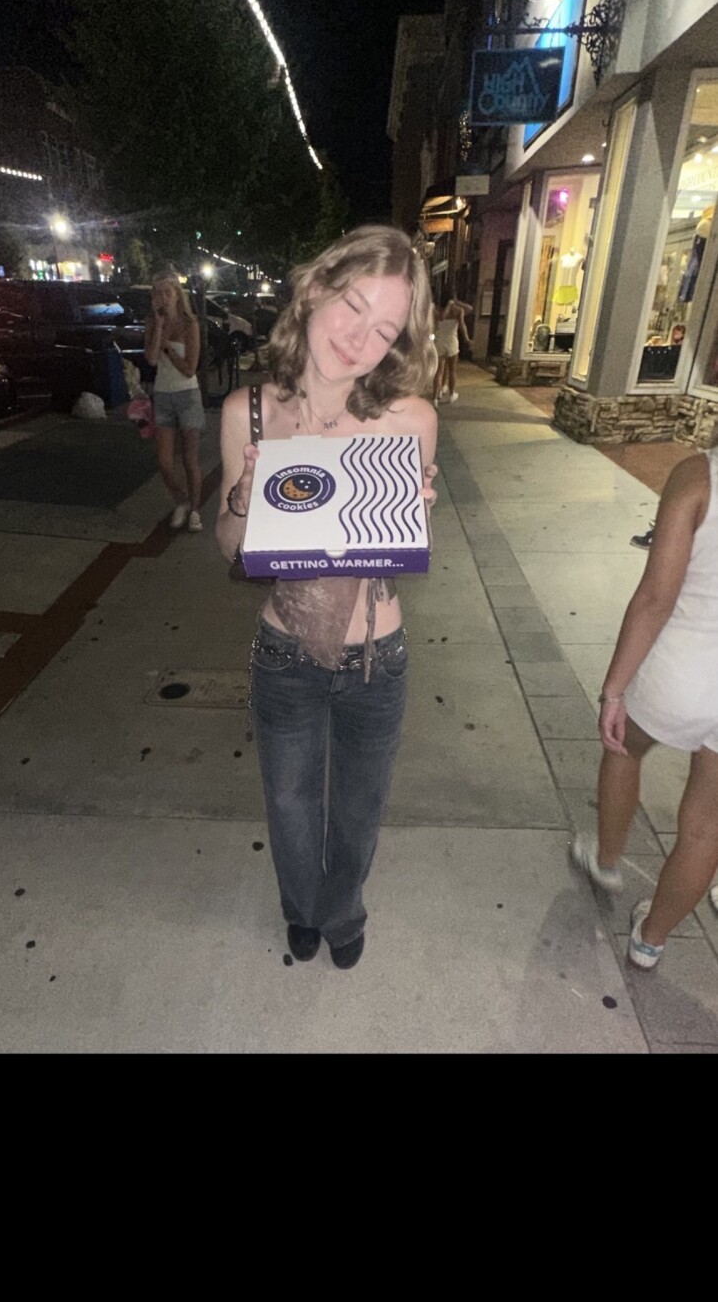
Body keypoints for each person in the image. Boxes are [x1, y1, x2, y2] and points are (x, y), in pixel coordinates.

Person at [216, 225, 438, 970]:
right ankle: (300, 907)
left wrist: (413, 512)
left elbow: (394, 553)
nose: (359, 340)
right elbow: (230, 549)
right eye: (352, 306)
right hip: (284, 653)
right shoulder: (248, 413)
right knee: (288, 806)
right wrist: (244, 497)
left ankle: (341, 910)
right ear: (314, 289)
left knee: (359, 811)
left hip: (378, 657)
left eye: (385, 330)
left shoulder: (409, 420)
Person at [571, 439, 718, 970]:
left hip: (682, 670)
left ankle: (607, 859)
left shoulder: (698, 477)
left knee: (624, 747)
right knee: (706, 825)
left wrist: (614, 689)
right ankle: (650, 940)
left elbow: (656, 596)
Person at [144, 272, 205, 533]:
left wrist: (168, 349)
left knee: (190, 459)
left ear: (178, 295)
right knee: (164, 462)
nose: (163, 297)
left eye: (168, 292)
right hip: (163, 396)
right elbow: (151, 359)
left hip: (187, 395)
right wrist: (159, 327)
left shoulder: (190, 324)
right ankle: (181, 500)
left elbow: (190, 369)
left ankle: (195, 511)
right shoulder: (152, 322)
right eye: (158, 293)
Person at [432, 288, 473, 406]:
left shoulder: (436, 310)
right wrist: (467, 339)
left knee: (438, 372)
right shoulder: (458, 311)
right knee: (452, 370)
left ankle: (435, 398)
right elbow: (463, 325)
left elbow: (437, 322)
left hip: (439, 341)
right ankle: (451, 394)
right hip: (452, 341)